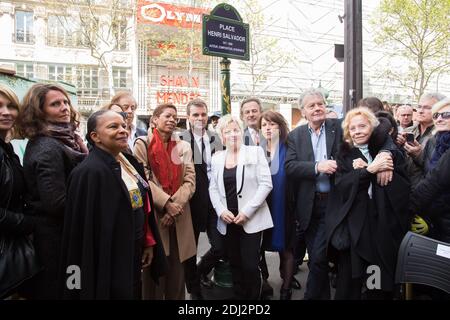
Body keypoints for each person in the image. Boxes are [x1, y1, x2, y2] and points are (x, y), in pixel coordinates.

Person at [59, 110, 165, 299]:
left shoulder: (127, 162)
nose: (123, 130)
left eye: (123, 126)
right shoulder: (89, 172)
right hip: (107, 258)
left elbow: (141, 204)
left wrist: (147, 242)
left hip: (132, 250)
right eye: (113, 127)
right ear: (95, 136)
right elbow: (82, 234)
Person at [325, 107, 410, 299]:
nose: (358, 131)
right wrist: (369, 171)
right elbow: (343, 187)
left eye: (362, 126)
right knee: (349, 281)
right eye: (353, 128)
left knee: (376, 279)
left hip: (382, 226)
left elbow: (404, 189)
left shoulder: (388, 152)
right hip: (356, 228)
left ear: (372, 127)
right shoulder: (345, 154)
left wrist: (383, 168)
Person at [17, 83, 88, 299]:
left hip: (66, 236)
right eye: (55, 104)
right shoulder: (47, 147)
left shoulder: (68, 141)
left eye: (66, 102)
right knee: (63, 291)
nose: (65, 107)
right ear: (39, 111)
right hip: (55, 242)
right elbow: (57, 203)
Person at [134, 103, 196, 300]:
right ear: (154, 120)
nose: (171, 120)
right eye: (167, 116)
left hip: (178, 216)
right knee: (154, 275)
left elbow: (190, 181)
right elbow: (142, 180)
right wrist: (166, 204)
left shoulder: (183, 146)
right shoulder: (142, 144)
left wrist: (173, 207)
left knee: (177, 276)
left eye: (174, 117)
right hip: (156, 217)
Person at [285, 88, 342, 300]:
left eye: (320, 103)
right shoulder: (295, 136)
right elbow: (290, 166)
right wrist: (318, 166)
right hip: (308, 205)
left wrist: (384, 156)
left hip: (336, 204)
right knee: (318, 258)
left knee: (318, 257)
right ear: (303, 112)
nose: (318, 108)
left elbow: (370, 135)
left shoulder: (340, 127)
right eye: (312, 105)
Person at [209, 114, 273, 300]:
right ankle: (239, 298)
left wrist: (247, 212)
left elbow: (266, 184)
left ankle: (254, 299)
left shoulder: (255, 152)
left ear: (241, 131)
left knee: (250, 265)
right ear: (222, 136)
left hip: (250, 219)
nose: (232, 134)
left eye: (236, 130)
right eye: (227, 132)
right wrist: (221, 211)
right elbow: (213, 188)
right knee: (234, 263)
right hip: (228, 219)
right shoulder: (217, 158)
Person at [179, 99, 224, 300]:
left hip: (214, 203)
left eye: (203, 114)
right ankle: (194, 291)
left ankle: (198, 273)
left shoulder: (216, 138)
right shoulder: (180, 140)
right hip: (192, 203)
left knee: (220, 247)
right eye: (195, 115)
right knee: (190, 250)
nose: (200, 118)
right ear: (188, 117)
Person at [0, 85, 39, 298]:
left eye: (11, 106)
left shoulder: (8, 150)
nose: (6, 112)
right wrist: (29, 223)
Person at [258, 111, 297, 300]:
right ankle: (263, 282)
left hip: (285, 206)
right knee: (259, 247)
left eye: (272, 124)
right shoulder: (256, 150)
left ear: (280, 127)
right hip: (261, 206)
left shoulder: (290, 148)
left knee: (286, 249)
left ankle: (286, 288)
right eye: (264, 125)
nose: (267, 128)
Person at [411, 98, 450, 242]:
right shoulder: (434, 142)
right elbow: (426, 174)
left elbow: (438, 180)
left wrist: (412, 209)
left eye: (446, 115)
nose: (439, 119)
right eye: (436, 115)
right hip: (434, 219)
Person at [397, 93, 447, 186]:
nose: (420, 111)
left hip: (427, 191)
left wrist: (419, 155)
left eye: (427, 108)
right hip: (404, 188)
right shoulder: (408, 131)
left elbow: (441, 170)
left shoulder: (443, 137)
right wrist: (397, 147)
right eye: (419, 106)